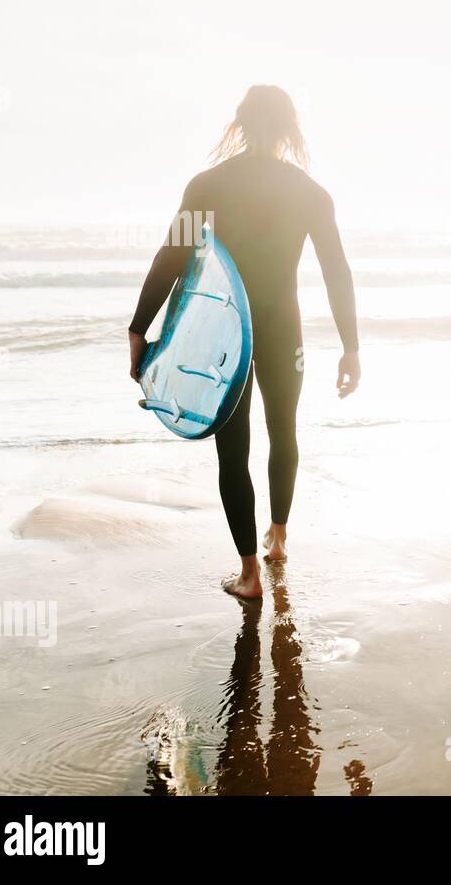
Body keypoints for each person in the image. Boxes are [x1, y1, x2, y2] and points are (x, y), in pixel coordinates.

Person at [128, 85, 361, 599]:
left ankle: (250, 573)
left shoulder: (209, 184)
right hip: (286, 331)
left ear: (240, 123)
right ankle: (278, 538)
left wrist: (139, 329)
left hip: (224, 336)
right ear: (290, 129)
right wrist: (351, 345)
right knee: (284, 431)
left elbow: (172, 255)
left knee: (233, 451)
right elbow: (336, 271)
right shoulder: (311, 193)